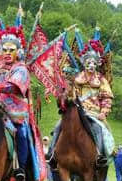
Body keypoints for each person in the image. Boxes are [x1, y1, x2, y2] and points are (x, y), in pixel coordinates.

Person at [0, 24, 46, 181]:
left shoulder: (21, 68)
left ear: (18, 51)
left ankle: (21, 168)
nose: (7, 53)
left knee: (22, 133)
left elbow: (14, 86)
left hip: (14, 112)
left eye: (11, 50)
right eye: (4, 49)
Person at [48, 28, 114, 168]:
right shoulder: (77, 78)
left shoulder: (101, 80)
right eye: (88, 63)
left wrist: (104, 112)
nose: (91, 65)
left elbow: (107, 97)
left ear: (97, 64)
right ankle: (52, 153)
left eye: (93, 63)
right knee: (58, 126)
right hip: (78, 112)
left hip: (95, 113)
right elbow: (71, 94)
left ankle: (99, 156)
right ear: (84, 63)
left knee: (98, 129)